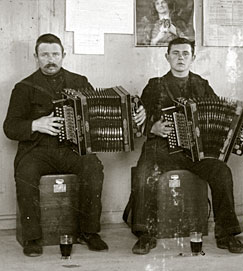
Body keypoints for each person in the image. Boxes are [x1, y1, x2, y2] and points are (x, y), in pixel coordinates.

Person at [3, 34, 144, 257]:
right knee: (25, 172)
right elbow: (10, 127)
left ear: (63, 56)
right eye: (44, 55)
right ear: (36, 57)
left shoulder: (79, 81)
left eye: (55, 54)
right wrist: (35, 124)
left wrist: (133, 112)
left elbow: (96, 113)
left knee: (93, 167)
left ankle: (89, 232)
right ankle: (32, 238)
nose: (50, 59)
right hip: (38, 150)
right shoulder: (24, 87)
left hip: (72, 150)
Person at [130, 37, 243, 255]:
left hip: (196, 152)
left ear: (193, 58)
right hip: (163, 147)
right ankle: (145, 234)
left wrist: (239, 134)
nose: (180, 58)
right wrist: (152, 127)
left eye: (185, 53)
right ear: (167, 57)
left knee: (221, 171)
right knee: (144, 171)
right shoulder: (154, 85)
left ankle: (227, 235)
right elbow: (139, 118)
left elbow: (221, 117)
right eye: (175, 53)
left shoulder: (202, 85)